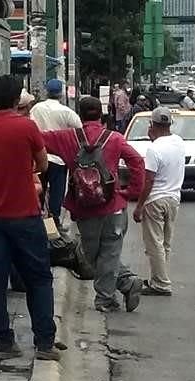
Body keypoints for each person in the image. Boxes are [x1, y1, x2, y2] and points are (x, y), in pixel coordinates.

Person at [0, 75, 61, 360]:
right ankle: (44, 342)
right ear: (15, 100)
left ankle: (3, 340)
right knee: (39, 278)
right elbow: (43, 163)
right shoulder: (26, 127)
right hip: (25, 215)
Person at [41, 96, 146, 312]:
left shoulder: (69, 137)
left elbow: (37, 138)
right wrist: (132, 191)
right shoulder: (115, 138)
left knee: (91, 253)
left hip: (84, 208)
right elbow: (137, 161)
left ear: (79, 115)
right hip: (113, 205)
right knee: (110, 251)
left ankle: (106, 297)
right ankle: (125, 283)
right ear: (103, 114)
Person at [132, 107, 186, 297]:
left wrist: (139, 206)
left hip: (155, 199)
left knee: (154, 243)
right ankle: (159, 277)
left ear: (152, 125)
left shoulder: (154, 149)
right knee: (165, 243)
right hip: (173, 198)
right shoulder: (178, 142)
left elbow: (149, 181)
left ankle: (161, 283)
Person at [30, 78, 82, 231]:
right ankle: (55, 221)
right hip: (59, 159)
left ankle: (38, 218)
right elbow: (79, 129)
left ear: (47, 91)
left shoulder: (36, 109)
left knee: (39, 187)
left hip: (39, 156)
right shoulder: (67, 112)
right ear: (61, 93)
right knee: (57, 191)